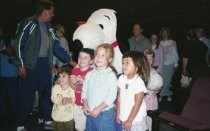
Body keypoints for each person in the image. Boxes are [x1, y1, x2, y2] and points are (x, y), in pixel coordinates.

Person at [13, 1, 74, 131]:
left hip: (44, 65)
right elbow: (18, 45)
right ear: (45, 12)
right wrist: (21, 65)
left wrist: (70, 60)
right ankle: (20, 124)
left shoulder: (49, 27)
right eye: (52, 11)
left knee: (46, 94)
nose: (53, 14)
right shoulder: (29, 23)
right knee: (26, 95)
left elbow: (56, 46)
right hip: (30, 66)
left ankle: (47, 120)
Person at [82, 44, 118, 131]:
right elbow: (84, 91)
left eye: (103, 55)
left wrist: (98, 109)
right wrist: (85, 105)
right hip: (90, 112)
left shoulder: (111, 75)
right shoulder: (90, 74)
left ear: (109, 59)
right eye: (97, 54)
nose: (99, 57)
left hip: (104, 114)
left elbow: (111, 96)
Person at [116, 51, 150, 131]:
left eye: (127, 62)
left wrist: (130, 120)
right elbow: (119, 97)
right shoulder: (121, 78)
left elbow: (137, 104)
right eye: (123, 62)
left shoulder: (138, 82)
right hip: (125, 116)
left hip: (136, 119)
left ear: (137, 67)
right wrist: (118, 113)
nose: (124, 65)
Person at [69, 48, 94, 131]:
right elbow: (74, 87)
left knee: (91, 125)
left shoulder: (92, 72)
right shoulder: (74, 71)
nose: (82, 59)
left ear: (91, 61)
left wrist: (82, 81)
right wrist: (71, 82)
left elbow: (93, 88)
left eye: (85, 57)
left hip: (90, 104)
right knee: (79, 126)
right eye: (80, 57)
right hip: (77, 103)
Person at [0, 28, 18, 127]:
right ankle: (3, 119)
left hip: (12, 75)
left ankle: (15, 119)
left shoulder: (14, 41)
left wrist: (8, 52)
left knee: (13, 98)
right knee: (2, 99)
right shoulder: (1, 42)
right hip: (2, 75)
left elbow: (16, 54)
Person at [143, 49, 163, 131]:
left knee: (149, 120)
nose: (148, 61)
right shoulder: (140, 71)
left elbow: (158, 86)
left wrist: (158, 89)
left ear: (153, 60)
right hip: (142, 100)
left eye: (150, 59)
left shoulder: (154, 72)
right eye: (146, 59)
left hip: (151, 101)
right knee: (142, 119)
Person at [51, 65, 75, 131]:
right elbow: (53, 98)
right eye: (59, 76)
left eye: (63, 76)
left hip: (68, 117)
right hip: (57, 116)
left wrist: (68, 100)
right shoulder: (56, 87)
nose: (60, 78)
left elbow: (74, 99)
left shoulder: (71, 88)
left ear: (70, 78)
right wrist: (60, 101)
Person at [159, 27, 179, 102]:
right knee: (162, 80)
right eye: (163, 33)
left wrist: (176, 64)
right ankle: (161, 94)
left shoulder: (173, 42)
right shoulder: (159, 43)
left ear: (168, 34)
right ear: (161, 34)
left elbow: (175, 53)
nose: (164, 34)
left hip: (170, 63)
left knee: (169, 80)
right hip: (162, 64)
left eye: (166, 33)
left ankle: (168, 94)